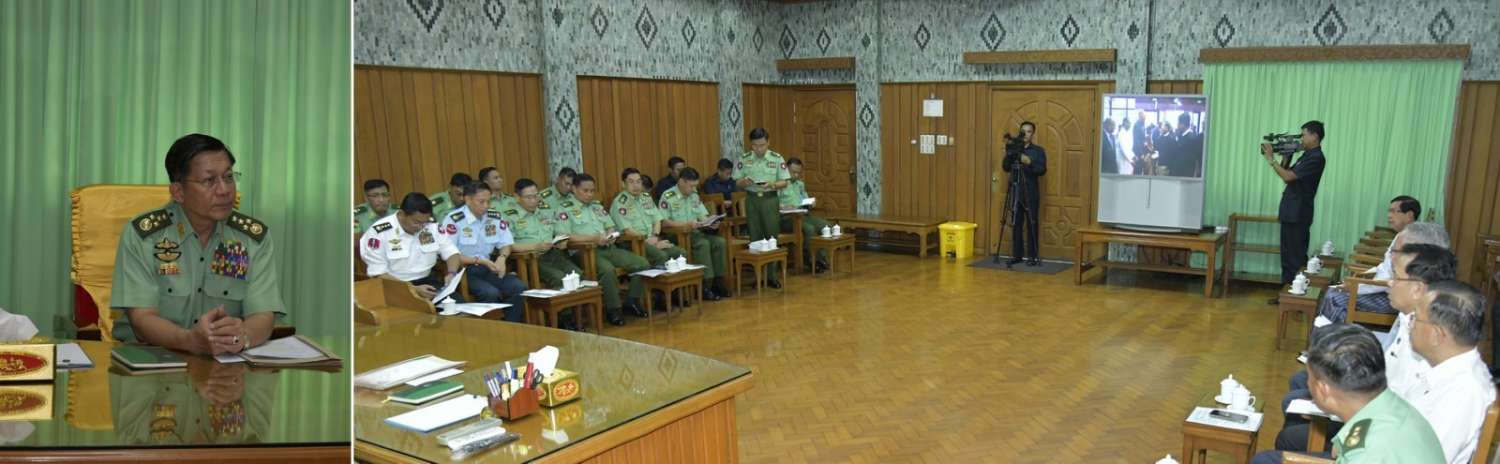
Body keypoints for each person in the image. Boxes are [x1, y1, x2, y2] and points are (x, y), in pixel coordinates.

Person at [1273, 243, 1457, 456]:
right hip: (1376, 414)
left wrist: (1348, 433)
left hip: (1376, 430)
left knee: (1284, 437)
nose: (1389, 282)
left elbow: (1398, 403)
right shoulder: (1409, 319)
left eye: (1396, 277)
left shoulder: (1425, 340)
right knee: (1300, 388)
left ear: (1417, 289)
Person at [110, 133, 283, 355]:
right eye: (209, 181)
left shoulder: (251, 239)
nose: (224, 190)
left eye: (229, 177)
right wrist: (190, 341)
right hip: (152, 360)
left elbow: (263, 314)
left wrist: (242, 336)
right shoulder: (144, 236)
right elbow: (142, 320)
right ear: (178, 192)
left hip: (226, 363)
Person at [1253, 323, 1445, 464]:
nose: (1307, 384)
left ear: (1323, 389)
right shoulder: (1388, 405)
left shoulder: (1370, 452)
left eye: (1309, 377)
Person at [1405, 280, 1496, 464]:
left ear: (1437, 335)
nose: (1410, 325)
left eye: (1415, 318)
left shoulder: (1464, 392)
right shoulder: (1444, 369)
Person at [555, 173, 647, 324]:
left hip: (607, 247)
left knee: (641, 263)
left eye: (592, 191)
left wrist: (611, 234)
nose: (589, 194)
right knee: (607, 270)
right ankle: (613, 309)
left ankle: (632, 301)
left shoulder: (596, 206)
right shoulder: (565, 208)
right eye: (585, 191)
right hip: (583, 252)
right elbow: (565, 236)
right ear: (574, 189)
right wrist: (595, 239)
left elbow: (610, 225)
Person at [1318, 221, 1448, 323]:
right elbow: (1384, 269)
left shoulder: (1424, 321)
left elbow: (1385, 279)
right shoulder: (1402, 237)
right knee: (1333, 293)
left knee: (1335, 298)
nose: (1391, 256)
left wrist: (1356, 287)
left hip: (1383, 292)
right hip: (1383, 290)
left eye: (1395, 211)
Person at [436, 182, 528, 322]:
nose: (486, 206)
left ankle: (510, 326)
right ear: (468, 200)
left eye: (488, 201)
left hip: (489, 267)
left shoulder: (494, 216)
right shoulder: (454, 220)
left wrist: (502, 258)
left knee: (518, 287)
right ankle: (490, 331)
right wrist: (480, 261)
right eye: (481, 201)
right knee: (490, 293)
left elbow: (506, 243)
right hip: (464, 271)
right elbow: (450, 255)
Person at [359, 193, 467, 301]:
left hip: (428, 281)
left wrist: (451, 273)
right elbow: (378, 274)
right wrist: (413, 289)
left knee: (458, 304)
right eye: (416, 222)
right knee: (422, 309)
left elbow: (451, 252)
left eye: (425, 222)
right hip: (395, 286)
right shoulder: (379, 233)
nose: (421, 227)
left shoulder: (432, 227)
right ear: (402, 214)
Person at [1266, 121, 1327, 304]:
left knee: (1296, 258)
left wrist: (1271, 159)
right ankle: (1286, 294)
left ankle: (1298, 297)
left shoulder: (1316, 157)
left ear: (1315, 136)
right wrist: (1287, 157)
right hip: (1290, 211)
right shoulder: (1305, 156)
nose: (1301, 138)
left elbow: (1288, 176)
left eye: (1304, 135)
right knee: (1287, 256)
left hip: (1299, 213)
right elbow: (1287, 177)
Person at [660, 167, 728, 300]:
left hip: (696, 232)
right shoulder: (668, 196)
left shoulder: (694, 195)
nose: (693, 189)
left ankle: (718, 281)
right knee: (703, 244)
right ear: (681, 181)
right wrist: (686, 224)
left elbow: (702, 216)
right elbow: (664, 222)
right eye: (691, 186)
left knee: (719, 242)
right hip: (677, 235)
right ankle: (705, 285)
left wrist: (710, 221)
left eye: (695, 186)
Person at [734, 127, 790, 287]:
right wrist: (743, 182)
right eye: (755, 145)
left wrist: (773, 184)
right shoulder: (744, 158)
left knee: (771, 237)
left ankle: (771, 276)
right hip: (752, 200)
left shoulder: (776, 158)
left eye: (762, 145)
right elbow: (737, 181)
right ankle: (758, 276)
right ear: (751, 144)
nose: (759, 149)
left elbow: (785, 181)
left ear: (768, 142)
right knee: (755, 237)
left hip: (769, 199)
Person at [611, 168, 687, 268]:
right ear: (623, 184)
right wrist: (649, 242)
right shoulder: (620, 203)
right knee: (661, 256)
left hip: (651, 239)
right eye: (631, 182)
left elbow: (657, 220)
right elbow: (628, 231)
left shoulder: (646, 197)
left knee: (680, 252)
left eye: (638, 182)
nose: (636, 185)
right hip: (632, 242)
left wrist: (655, 237)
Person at [1002, 121, 1047, 266]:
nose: (1025, 134)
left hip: (1031, 192)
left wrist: (1029, 162)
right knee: (1016, 224)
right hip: (1016, 191)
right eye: (1023, 131)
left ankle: (1032, 257)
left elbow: (1042, 170)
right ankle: (1017, 255)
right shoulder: (1014, 149)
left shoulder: (1038, 151)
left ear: (1033, 134)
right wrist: (1009, 154)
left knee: (1032, 224)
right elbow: (1005, 167)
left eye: (1029, 131)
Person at [779, 157, 830, 273]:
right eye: (793, 172)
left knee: (826, 226)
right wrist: (783, 206)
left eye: (798, 172)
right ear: (786, 169)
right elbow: (773, 203)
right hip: (787, 218)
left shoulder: (800, 184)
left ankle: (821, 259)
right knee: (809, 229)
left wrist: (810, 203)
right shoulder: (780, 184)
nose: (796, 175)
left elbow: (805, 199)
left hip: (803, 215)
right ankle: (811, 260)